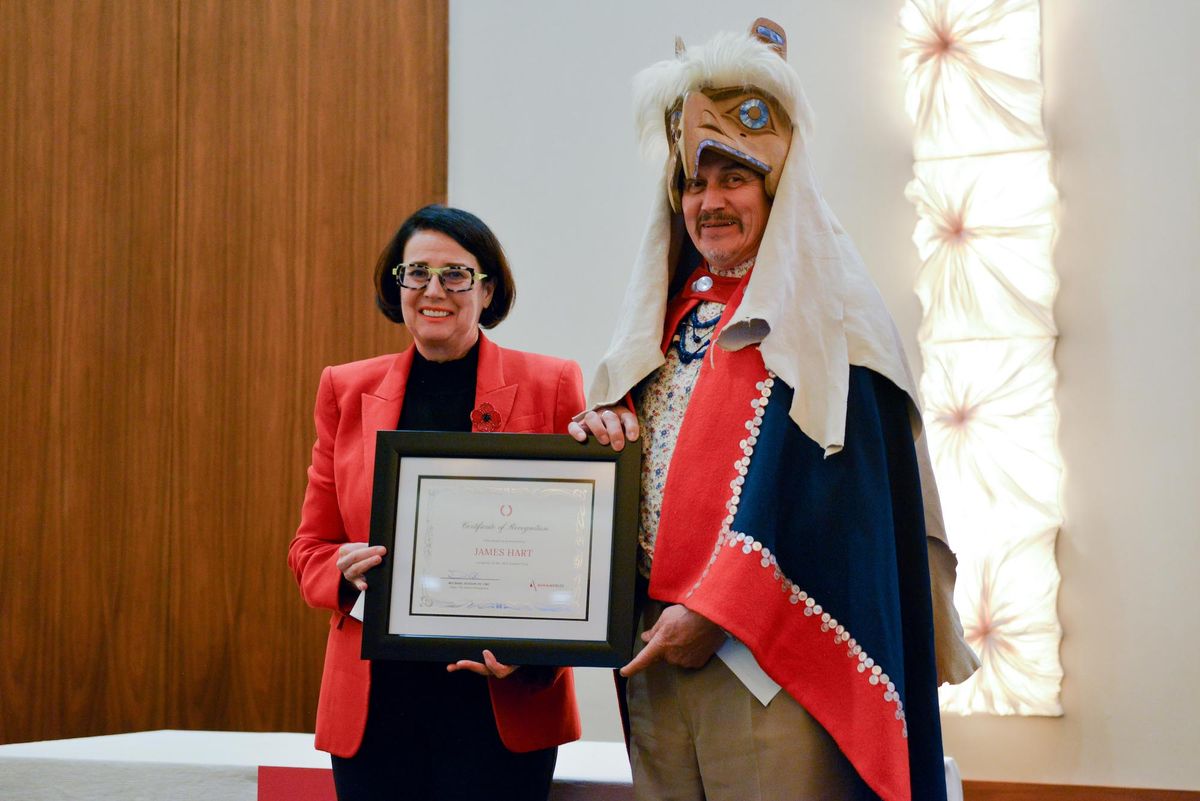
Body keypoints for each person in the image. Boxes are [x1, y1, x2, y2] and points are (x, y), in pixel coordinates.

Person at [569, 19, 979, 801]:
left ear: (775, 187)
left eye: (734, 179)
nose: (710, 202)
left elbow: (838, 496)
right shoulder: (663, 320)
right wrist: (605, 436)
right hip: (655, 655)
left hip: (769, 667)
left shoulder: (835, 321)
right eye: (695, 182)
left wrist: (718, 609)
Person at [289, 205, 584, 801]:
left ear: (488, 287)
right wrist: (341, 570)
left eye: (455, 275)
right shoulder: (345, 391)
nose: (433, 291)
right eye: (416, 272)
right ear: (396, 283)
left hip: (499, 699)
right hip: (378, 704)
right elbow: (309, 549)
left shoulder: (550, 384)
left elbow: (581, 553)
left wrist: (531, 656)